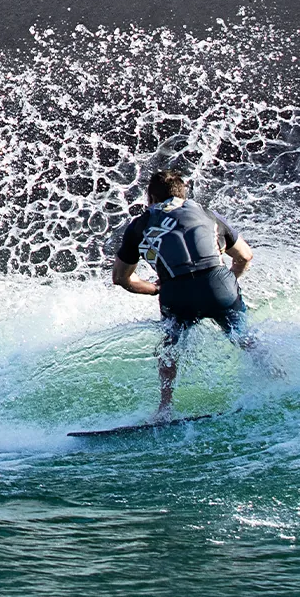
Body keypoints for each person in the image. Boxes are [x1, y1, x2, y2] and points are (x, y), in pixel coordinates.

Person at [110, 168, 260, 419]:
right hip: (219, 285)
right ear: (184, 194)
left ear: (151, 198)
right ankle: (280, 378)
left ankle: (165, 409)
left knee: (170, 348)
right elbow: (245, 256)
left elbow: (120, 278)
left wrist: (155, 289)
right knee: (244, 336)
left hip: (177, 293)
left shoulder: (140, 225)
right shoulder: (208, 214)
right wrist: (226, 281)